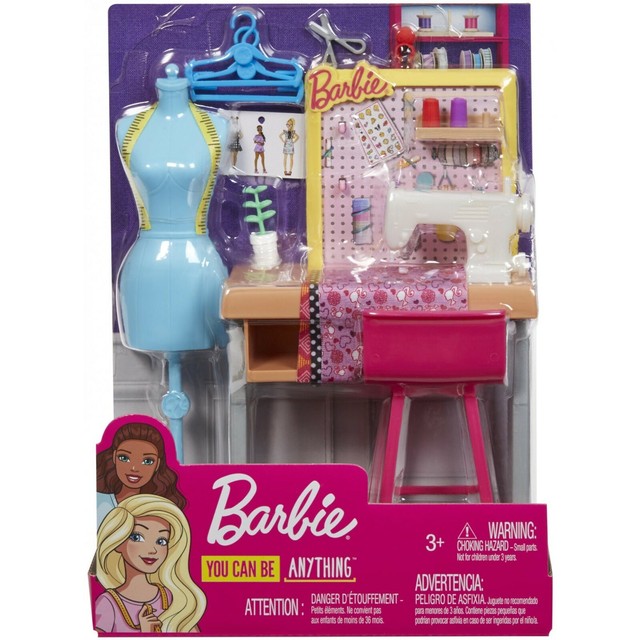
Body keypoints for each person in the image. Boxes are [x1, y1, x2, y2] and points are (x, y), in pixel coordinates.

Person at [95, 494, 205, 633]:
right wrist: (145, 633)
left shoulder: (172, 598)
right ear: (118, 541)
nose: (152, 550)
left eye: (161, 541)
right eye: (137, 537)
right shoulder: (107, 604)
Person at [96, 421, 185, 528]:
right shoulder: (99, 501)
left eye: (147, 461)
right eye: (124, 458)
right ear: (114, 457)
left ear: (157, 464)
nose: (134, 468)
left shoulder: (160, 509)